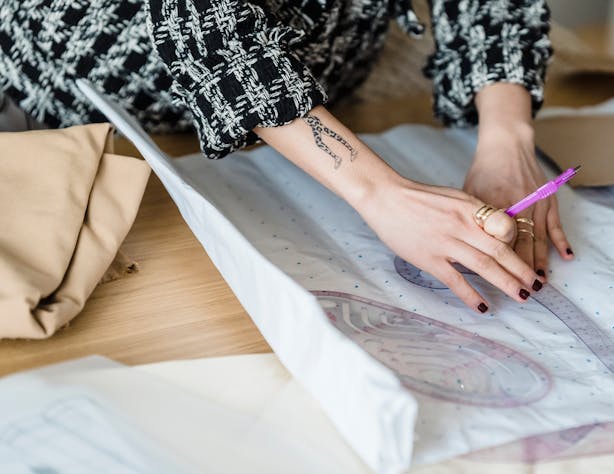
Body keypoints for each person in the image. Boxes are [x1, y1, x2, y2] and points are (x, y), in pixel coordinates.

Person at [0, 0, 573, 312]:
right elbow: (208, 24)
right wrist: (379, 193)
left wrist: (507, 138)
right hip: (86, 94)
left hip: (316, 80)